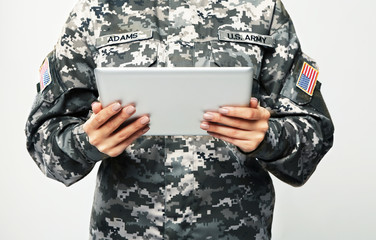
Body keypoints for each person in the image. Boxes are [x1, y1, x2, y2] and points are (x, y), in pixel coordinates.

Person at [25, 0, 334, 239]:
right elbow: (44, 138)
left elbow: (313, 133)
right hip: (125, 230)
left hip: (236, 231)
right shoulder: (94, 12)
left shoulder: (263, 10)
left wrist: (269, 136)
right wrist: (86, 141)